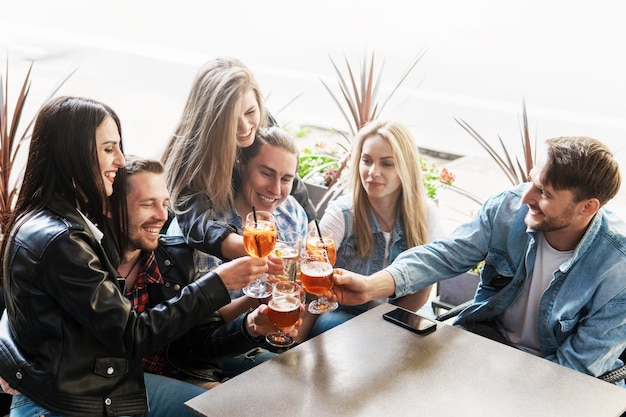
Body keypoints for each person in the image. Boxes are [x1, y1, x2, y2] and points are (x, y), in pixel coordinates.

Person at [0, 96, 267, 417]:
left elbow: (25, 311)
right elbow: (130, 336)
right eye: (108, 149)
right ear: (74, 152)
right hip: (72, 398)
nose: (121, 160)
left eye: (119, 147)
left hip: (83, 385)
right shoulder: (64, 239)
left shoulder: (48, 220)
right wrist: (218, 283)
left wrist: (251, 319)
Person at [330, 135, 626, 383]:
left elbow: (574, 372)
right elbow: (444, 254)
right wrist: (371, 286)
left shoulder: (617, 266)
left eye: (545, 193)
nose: (526, 198)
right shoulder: (507, 208)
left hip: (553, 379)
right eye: (532, 182)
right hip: (487, 344)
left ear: (587, 207)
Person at [119, 156, 298, 388]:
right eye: (147, 204)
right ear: (113, 208)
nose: (162, 216)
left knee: (289, 378)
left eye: (164, 204)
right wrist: (217, 283)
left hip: (181, 367)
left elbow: (203, 342)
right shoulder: (88, 263)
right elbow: (130, 337)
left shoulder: (173, 257)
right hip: (122, 380)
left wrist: (251, 325)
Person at [161, 57, 314, 267]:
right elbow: (197, 224)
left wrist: (313, 227)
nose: (244, 127)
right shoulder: (191, 161)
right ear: (211, 121)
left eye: (250, 112)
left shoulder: (261, 124)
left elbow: (287, 173)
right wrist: (249, 248)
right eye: (232, 119)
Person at [168, 126, 308, 342]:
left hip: (281, 332)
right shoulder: (207, 226)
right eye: (267, 173)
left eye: (286, 179)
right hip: (224, 342)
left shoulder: (292, 213)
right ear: (242, 164)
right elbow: (203, 324)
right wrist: (258, 301)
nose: (276, 189)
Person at [309, 120, 444, 336]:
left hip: (404, 312)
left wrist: (384, 330)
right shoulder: (342, 213)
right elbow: (311, 275)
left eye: (386, 164)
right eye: (367, 160)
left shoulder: (426, 213)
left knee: (425, 340)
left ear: (405, 167)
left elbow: (425, 287)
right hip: (344, 318)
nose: (373, 172)